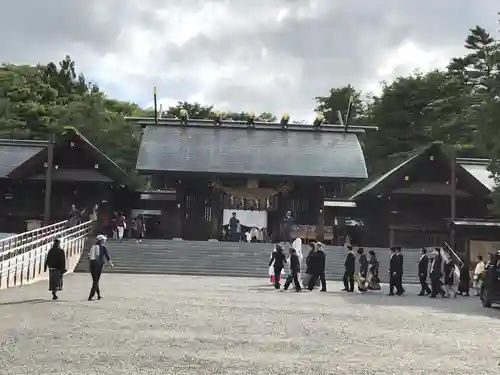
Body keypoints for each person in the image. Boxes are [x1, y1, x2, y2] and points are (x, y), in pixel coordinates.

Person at [88, 234, 114, 301]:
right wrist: (111, 264)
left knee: (95, 281)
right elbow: (107, 256)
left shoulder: (93, 246)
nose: (104, 241)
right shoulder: (103, 247)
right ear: (101, 240)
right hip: (99, 265)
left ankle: (99, 295)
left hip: (92, 264)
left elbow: (89, 255)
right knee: (96, 281)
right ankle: (91, 296)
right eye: (104, 240)